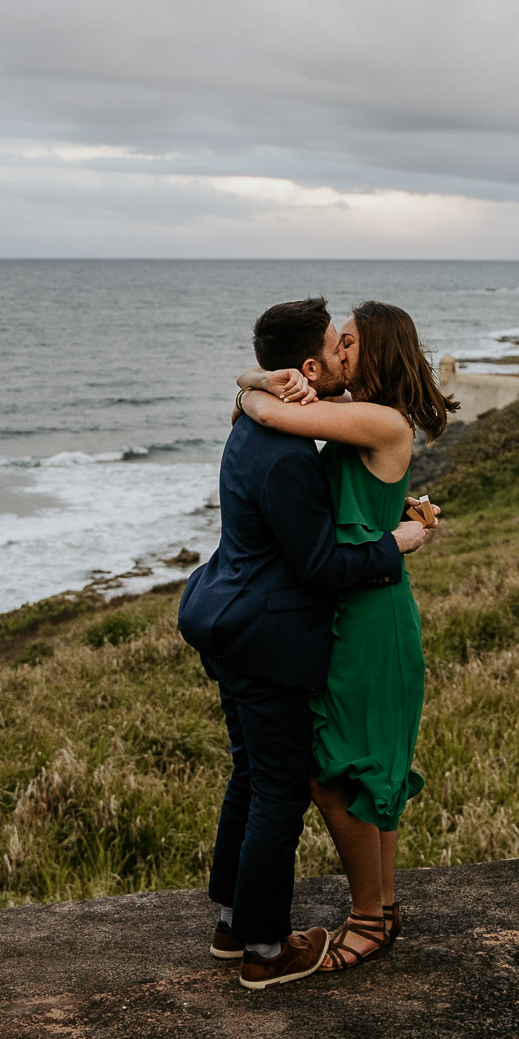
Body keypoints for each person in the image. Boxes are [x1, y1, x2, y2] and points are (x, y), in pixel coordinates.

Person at [178, 297, 437, 991]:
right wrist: (260, 379)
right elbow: (322, 563)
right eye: (334, 343)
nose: (340, 354)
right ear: (310, 362)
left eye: (349, 344)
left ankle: (253, 930)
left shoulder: (295, 429)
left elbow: (322, 549)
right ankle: (262, 944)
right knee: (284, 785)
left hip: (290, 618)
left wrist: (258, 384)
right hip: (272, 626)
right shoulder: (294, 439)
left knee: (293, 778)